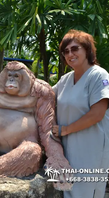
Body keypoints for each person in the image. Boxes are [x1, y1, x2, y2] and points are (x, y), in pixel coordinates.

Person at [52, 29, 109, 198]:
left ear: (87, 50)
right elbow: (45, 95)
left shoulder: (99, 76)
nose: (70, 54)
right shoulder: (65, 80)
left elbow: (97, 114)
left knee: (85, 193)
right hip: (67, 150)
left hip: (91, 150)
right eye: (66, 51)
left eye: (75, 48)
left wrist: (65, 130)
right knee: (68, 192)